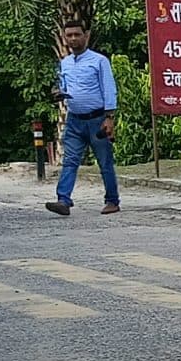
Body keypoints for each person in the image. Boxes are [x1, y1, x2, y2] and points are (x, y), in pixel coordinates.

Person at [46, 24, 119, 217]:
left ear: (86, 36)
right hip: (74, 120)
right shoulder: (65, 63)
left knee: (105, 162)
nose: (73, 39)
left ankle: (112, 200)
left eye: (77, 35)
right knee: (70, 160)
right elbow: (62, 86)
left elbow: (109, 88)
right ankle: (63, 200)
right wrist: (58, 93)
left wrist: (109, 118)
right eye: (69, 35)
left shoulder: (99, 61)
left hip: (97, 119)